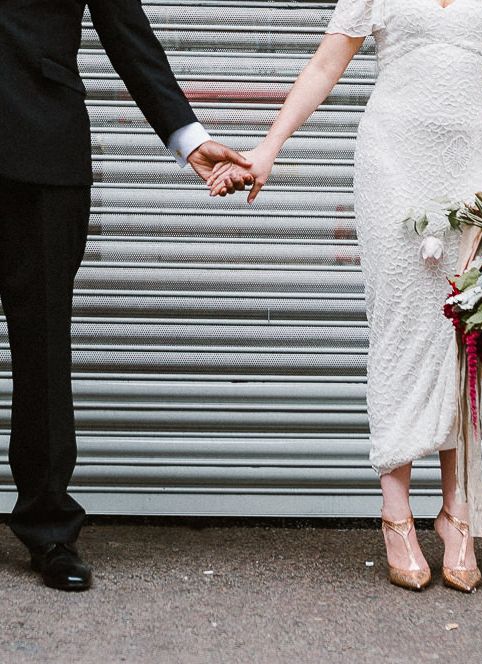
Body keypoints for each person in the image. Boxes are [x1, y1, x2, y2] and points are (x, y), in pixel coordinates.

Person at [208, 0, 482, 592]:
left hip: (475, 168)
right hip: (393, 164)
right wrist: (269, 147)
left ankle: (457, 513)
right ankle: (396, 514)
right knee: (398, 330)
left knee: (461, 338)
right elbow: (325, 65)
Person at [0, 0, 254, 591]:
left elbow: (125, 29)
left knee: (42, 350)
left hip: (43, 147)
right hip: (44, 145)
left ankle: (50, 530)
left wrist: (188, 137)